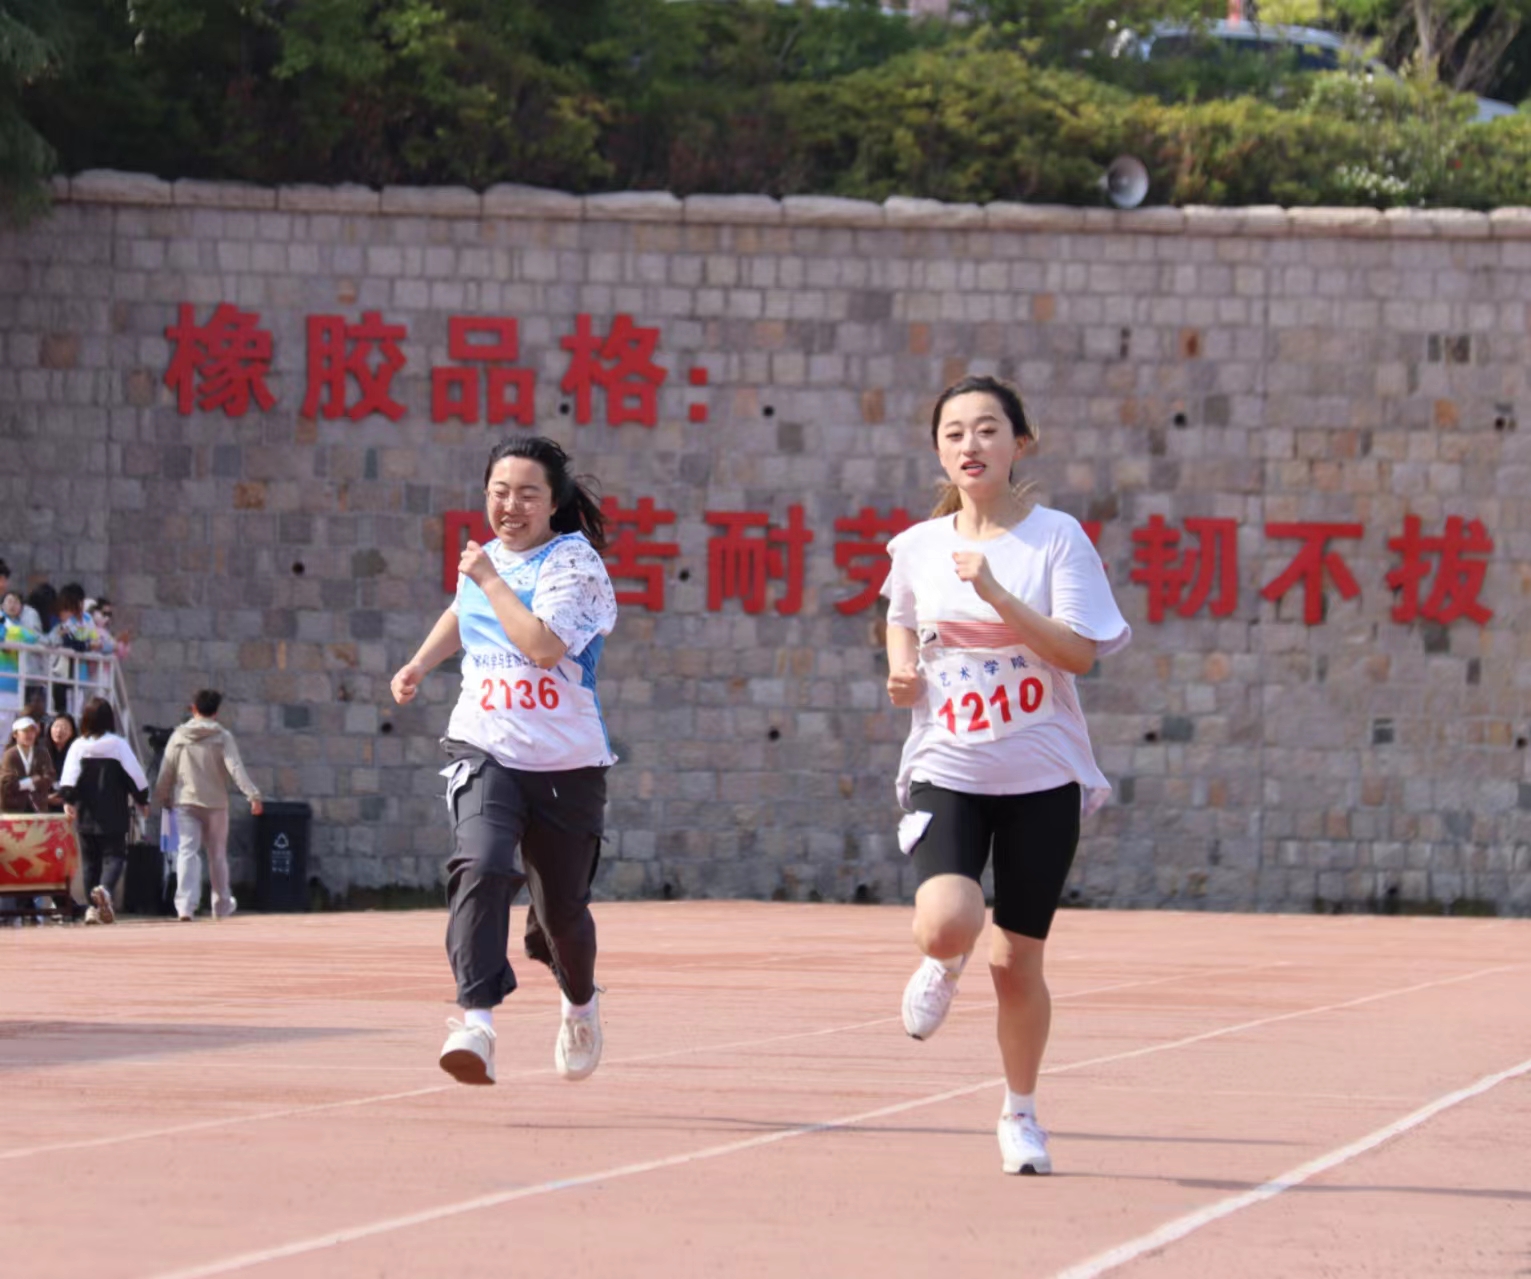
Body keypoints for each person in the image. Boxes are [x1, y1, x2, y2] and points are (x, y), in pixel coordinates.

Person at [882, 375, 1130, 1177]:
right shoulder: (918, 546)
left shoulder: (1056, 539)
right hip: (948, 763)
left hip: (1041, 775)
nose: (970, 444)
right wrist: (900, 671)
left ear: (1019, 442)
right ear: (938, 450)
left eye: (987, 429)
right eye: (954, 432)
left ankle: (1019, 1114)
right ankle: (941, 959)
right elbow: (899, 615)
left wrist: (993, 593)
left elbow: (1077, 653)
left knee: (1015, 963)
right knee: (947, 922)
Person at [390, 437, 618, 1087]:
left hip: (566, 763)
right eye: (499, 491)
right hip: (484, 744)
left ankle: (580, 1004)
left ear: (554, 502)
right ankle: (476, 1023)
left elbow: (542, 646)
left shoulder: (574, 564)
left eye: (526, 494)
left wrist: (489, 577)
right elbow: (461, 612)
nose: (510, 505)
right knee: (482, 865)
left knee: (561, 914)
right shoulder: (485, 561)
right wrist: (418, 663)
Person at [152, 689, 263, 921]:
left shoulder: (179, 736)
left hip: (185, 801)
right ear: (216, 711)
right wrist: (253, 795)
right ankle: (221, 904)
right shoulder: (222, 736)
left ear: (194, 708)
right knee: (217, 855)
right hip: (215, 804)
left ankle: (185, 906)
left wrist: (162, 796)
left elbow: (166, 770)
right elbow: (235, 768)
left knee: (186, 852)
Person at [58, 697, 150, 925]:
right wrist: (142, 800)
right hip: (113, 812)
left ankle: (92, 907)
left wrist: (68, 800)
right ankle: (105, 890)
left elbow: (68, 778)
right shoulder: (118, 745)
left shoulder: (78, 746)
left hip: (86, 813)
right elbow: (135, 776)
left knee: (90, 861)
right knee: (114, 856)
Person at [0, 715, 58, 813]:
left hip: (38, 806)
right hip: (13, 808)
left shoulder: (42, 753)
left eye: (32, 731)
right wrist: (32, 780)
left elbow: (49, 777)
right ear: (15, 734)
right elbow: (7, 783)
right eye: (25, 731)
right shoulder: (9, 755)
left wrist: (23, 783)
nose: (29, 734)